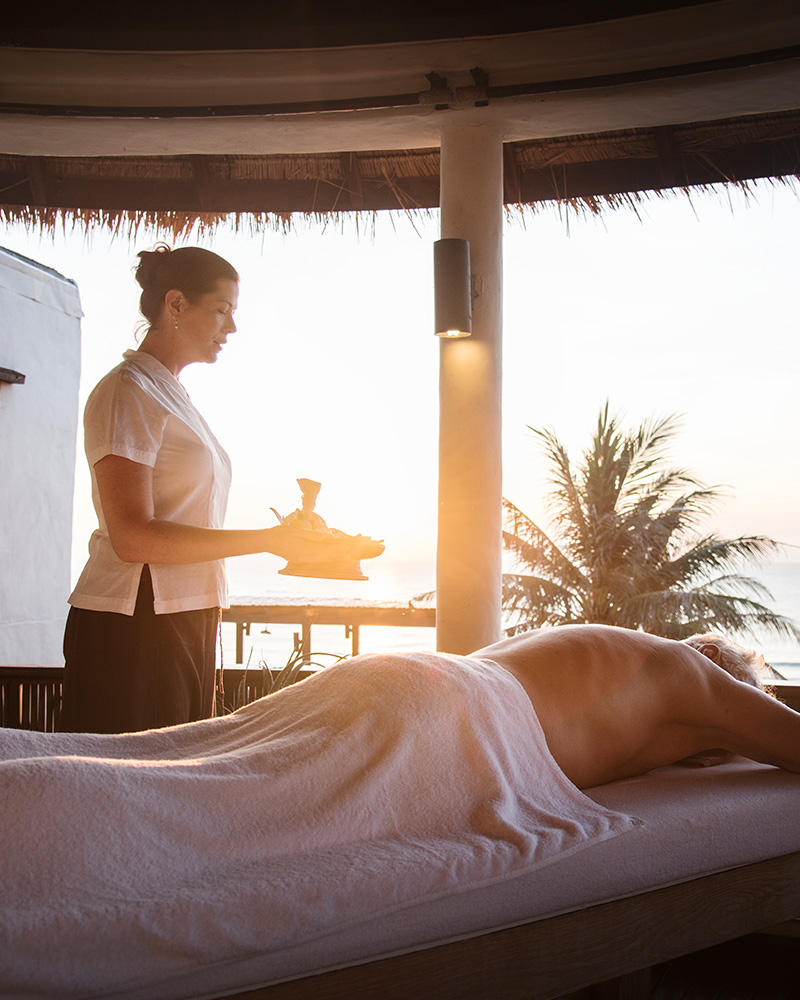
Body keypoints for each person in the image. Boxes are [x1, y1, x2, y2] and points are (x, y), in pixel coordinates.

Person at [60, 244, 383, 734]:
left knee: (179, 784)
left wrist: (287, 535)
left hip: (188, 611)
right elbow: (132, 538)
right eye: (221, 310)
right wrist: (268, 540)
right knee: (136, 793)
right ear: (175, 305)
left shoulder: (171, 393)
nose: (231, 327)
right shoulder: (128, 390)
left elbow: (189, 516)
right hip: (135, 622)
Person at [472, 623, 800, 788]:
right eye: (747, 689)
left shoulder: (629, 671)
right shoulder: (688, 669)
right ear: (709, 654)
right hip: (475, 710)